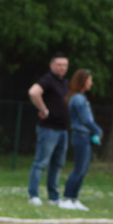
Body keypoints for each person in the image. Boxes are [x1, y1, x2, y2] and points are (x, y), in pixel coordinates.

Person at [27, 53, 69, 206]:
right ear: (52, 65)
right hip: (49, 128)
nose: (62, 68)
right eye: (59, 64)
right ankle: (33, 195)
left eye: (65, 65)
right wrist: (43, 109)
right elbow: (33, 92)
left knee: (57, 164)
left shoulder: (65, 82)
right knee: (41, 162)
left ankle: (53, 197)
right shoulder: (48, 80)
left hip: (63, 129)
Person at [60, 69, 103, 211]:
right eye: (89, 80)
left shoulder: (80, 98)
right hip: (81, 136)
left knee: (82, 169)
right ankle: (66, 198)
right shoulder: (78, 99)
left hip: (84, 136)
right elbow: (85, 119)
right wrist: (97, 130)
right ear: (83, 81)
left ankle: (73, 198)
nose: (91, 83)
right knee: (79, 169)